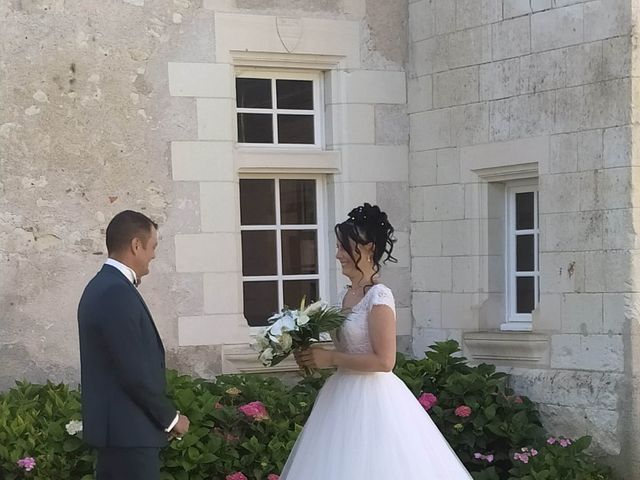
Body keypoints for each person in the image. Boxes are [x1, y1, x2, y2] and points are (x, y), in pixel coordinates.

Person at [281, 203, 472, 479]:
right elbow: (346, 348)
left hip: (374, 400)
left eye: (344, 247)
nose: (338, 255)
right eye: (338, 247)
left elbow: (385, 361)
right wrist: (310, 355)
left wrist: (330, 358)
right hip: (340, 397)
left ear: (368, 248)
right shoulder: (344, 296)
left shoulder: (379, 297)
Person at [77, 210, 189, 480]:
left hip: (122, 434)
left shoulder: (104, 286)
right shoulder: (114, 292)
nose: (153, 255)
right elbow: (132, 370)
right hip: (128, 435)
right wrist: (171, 418)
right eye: (153, 247)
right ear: (136, 246)